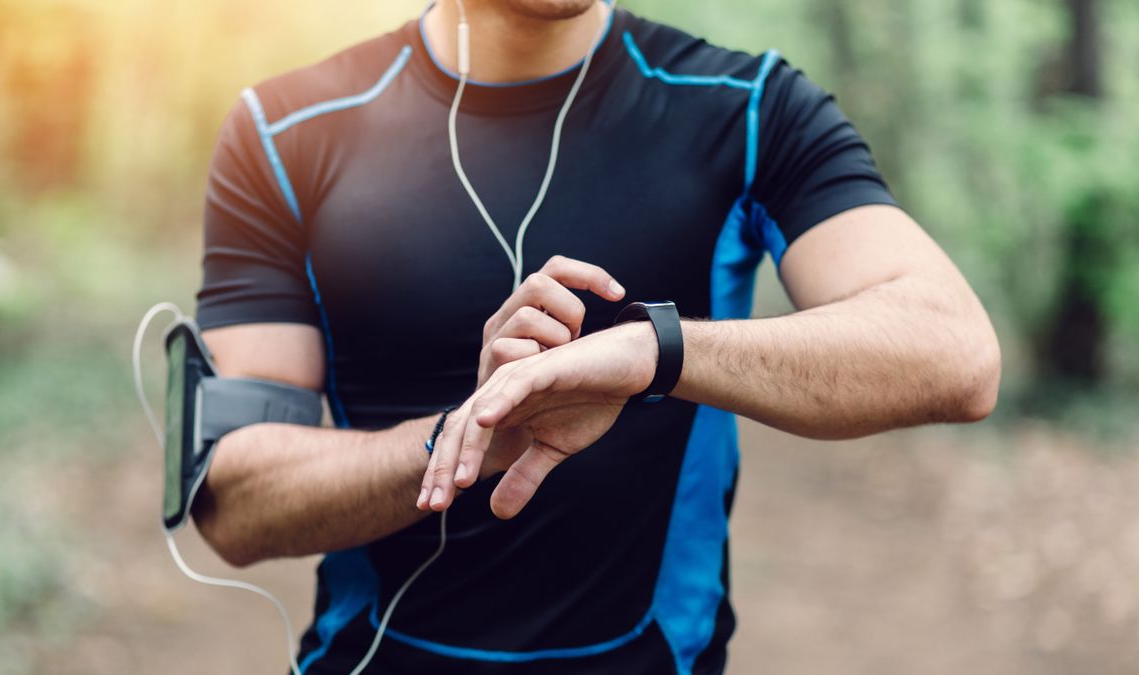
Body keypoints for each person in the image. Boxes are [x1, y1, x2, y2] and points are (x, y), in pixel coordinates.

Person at [189, 0, 1001, 672]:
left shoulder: (749, 111)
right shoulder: (285, 130)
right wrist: (466, 439)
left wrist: (656, 353)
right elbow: (231, 499)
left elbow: (955, 351)